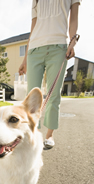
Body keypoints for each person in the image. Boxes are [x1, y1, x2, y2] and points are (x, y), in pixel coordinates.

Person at [19, 0, 80, 149]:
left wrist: (72, 41)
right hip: (34, 49)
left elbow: (73, 18)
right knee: (32, 97)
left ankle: (49, 135)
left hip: (59, 47)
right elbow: (32, 29)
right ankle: (33, 134)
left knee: (54, 95)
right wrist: (25, 58)